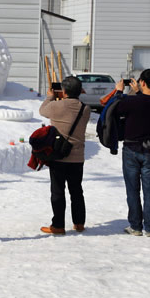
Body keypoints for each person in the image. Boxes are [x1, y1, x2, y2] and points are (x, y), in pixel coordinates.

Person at [115, 69, 150, 237]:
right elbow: (146, 101)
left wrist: (119, 91)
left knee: (132, 189)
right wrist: (139, 91)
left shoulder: (131, 101)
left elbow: (118, 108)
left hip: (131, 148)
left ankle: (136, 226)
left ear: (142, 82)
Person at [38, 76, 91, 235]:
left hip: (58, 155)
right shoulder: (85, 109)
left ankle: (58, 225)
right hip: (78, 157)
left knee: (58, 191)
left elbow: (42, 110)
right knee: (76, 190)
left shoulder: (56, 106)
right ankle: (79, 223)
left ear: (64, 90)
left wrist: (50, 96)